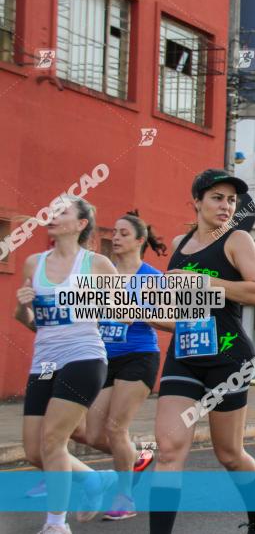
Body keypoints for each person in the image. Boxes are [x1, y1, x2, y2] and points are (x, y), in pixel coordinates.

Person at [150, 169, 255, 534]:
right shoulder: (179, 243)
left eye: (231, 200)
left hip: (228, 357)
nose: (225, 205)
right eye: (218, 198)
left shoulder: (237, 241)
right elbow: (183, 312)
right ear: (197, 202)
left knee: (230, 455)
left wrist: (202, 281)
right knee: (169, 451)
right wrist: (149, 316)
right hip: (185, 354)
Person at [14, 196, 119, 534]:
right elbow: (33, 323)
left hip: (84, 356)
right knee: (34, 450)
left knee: (53, 440)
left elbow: (121, 313)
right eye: (52, 210)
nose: (53, 215)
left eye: (62, 212)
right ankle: (93, 480)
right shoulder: (34, 263)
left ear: (80, 224)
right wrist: (22, 308)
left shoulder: (97, 264)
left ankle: (56, 525)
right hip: (45, 360)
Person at [81, 211, 166, 520]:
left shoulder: (152, 278)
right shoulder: (103, 274)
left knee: (117, 427)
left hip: (139, 356)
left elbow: (175, 321)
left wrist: (139, 313)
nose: (115, 237)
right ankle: (136, 458)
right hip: (105, 358)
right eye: (114, 232)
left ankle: (125, 498)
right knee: (93, 435)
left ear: (139, 241)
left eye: (123, 233)